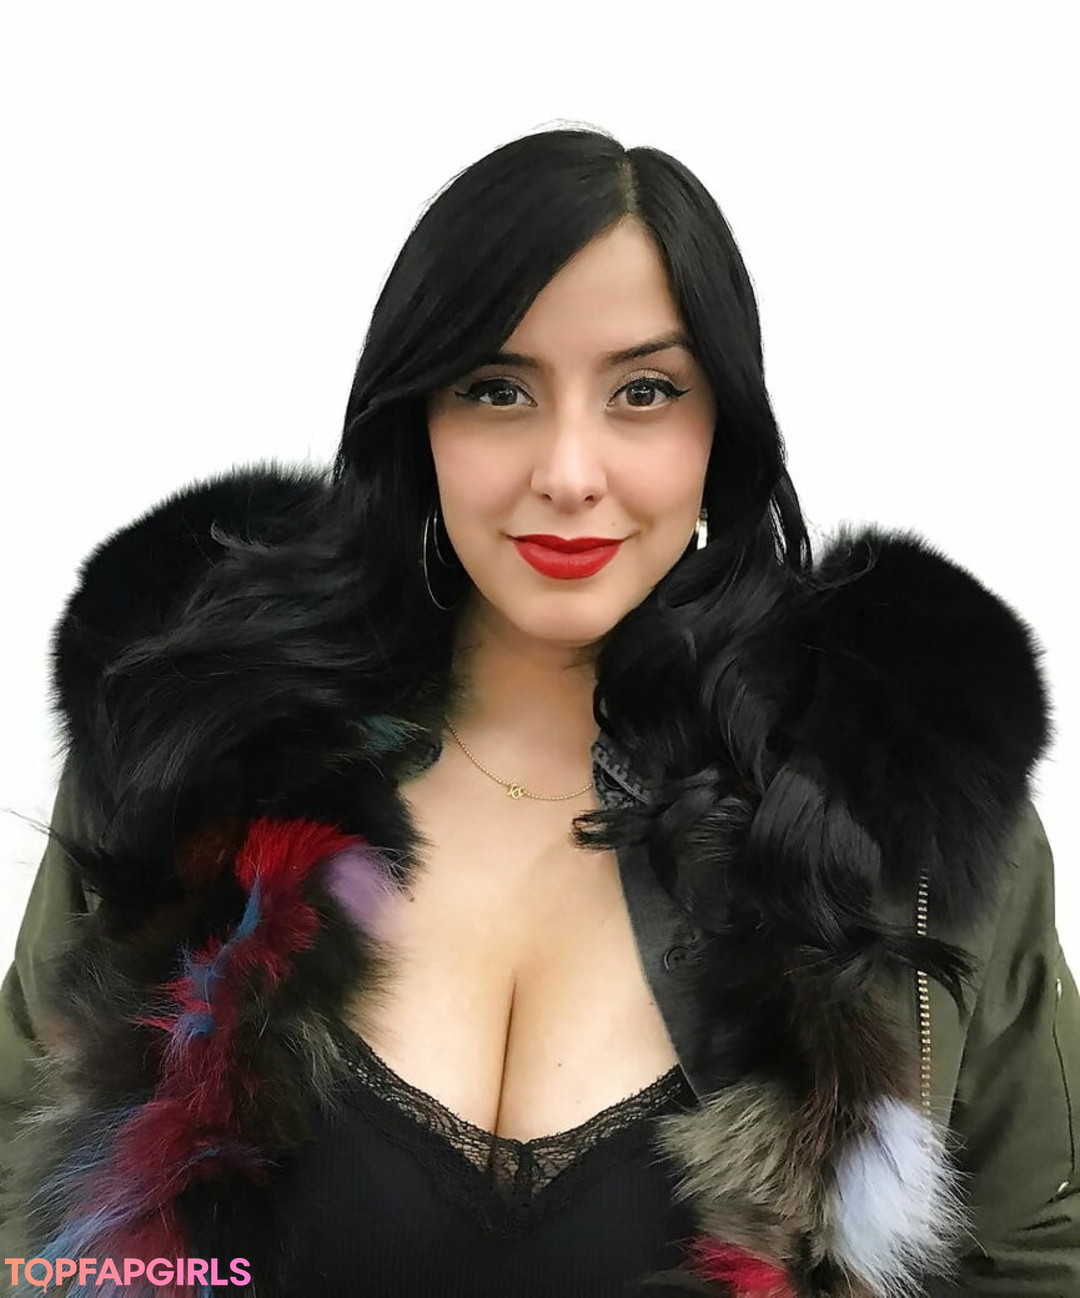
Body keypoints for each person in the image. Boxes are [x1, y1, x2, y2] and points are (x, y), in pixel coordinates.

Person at [1, 126, 1077, 1298]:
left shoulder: (891, 815)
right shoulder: (193, 752)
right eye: (497, 389)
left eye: (644, 392)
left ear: (721, 428)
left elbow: (1036, 1254)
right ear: (420, 417)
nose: (568, 470)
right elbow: (23, 1221)